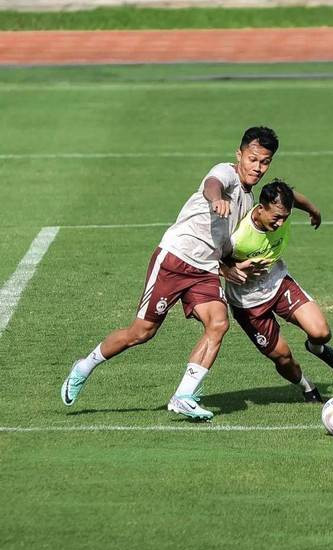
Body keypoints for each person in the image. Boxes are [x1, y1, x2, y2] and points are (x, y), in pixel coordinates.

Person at [61, 126, 312, 421]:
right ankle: (84, 366)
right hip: (175, 260)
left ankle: (183, 395)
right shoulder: (226, 174)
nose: (257, 168)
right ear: (239, 155)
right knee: (141, 332)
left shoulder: (248, 201)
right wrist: (216, 198)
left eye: (265, 162)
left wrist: (232, 267)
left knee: (218, 324)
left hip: (205, 271)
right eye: (253, 159)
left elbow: (225, 245)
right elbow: (212, 184)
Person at [224, 179, 333, 404]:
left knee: (321, 332)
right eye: (276, 217)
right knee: (282, 357)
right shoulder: (238, 238)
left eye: (285, 217)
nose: (280, 223)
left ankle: (316, 348)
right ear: (260, 209)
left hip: (278, 283)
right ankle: (307, 387)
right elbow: (209, 261)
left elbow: (293, 195)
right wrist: (232, 269)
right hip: (248, 303)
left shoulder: (282, 211)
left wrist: (313, 210)